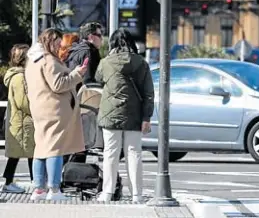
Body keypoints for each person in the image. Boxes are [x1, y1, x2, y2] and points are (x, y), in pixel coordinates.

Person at [25, 28, 88, 201]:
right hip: (54, 110)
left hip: (39, 108)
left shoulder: (33, 60)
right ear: (51, 41)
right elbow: (58, 85)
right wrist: (77, 74)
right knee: (55, 148)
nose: (60, 45)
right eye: (58, 42)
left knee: (41, 148)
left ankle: (38, 189)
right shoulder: (49, 61)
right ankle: (54, 189)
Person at [95, 28, 154, 204]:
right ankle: (137, 195)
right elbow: (149, 93)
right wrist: (147, 117)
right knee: (134, 153)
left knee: (110, 153)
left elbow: (98, 78)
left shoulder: (106, 62)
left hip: (110, 114)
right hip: (134, 114)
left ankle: (107, 193)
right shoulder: (141, 63)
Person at [2, 44, 34, 193]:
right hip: (23, 121)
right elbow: (23, 102)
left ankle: (9, 181)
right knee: (31, 154)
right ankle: (35, 182)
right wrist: (36, 109)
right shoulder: (20, 77)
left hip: (20, 121)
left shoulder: (17, 75)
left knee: (20, 154)